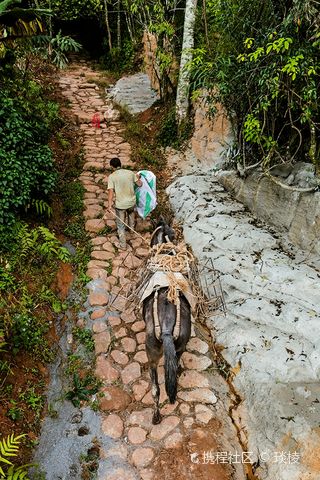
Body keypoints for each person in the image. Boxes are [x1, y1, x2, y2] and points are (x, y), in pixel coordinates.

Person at [107, 157, 142, 249]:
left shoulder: (112, 177)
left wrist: (109, 205)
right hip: (131, 202)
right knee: (131, 216)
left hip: (121, 205)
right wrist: (137, 178)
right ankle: (131, 233)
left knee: (120, 224)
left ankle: (123, 245)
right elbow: (140, 184)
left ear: (112, 166)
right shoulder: (130, 173)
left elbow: (110, 192)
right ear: (120, 164)